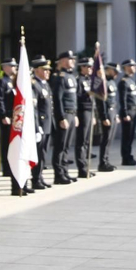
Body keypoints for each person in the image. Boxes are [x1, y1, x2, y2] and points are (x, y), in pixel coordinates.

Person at [50, 51, 78, 184]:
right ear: (62, 61)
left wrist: (75, 114)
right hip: (65, 114)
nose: (72, 61)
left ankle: (65, 171)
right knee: (60, 145)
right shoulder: (59, 77)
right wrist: (61, 118)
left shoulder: (71, 76)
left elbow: (73, 98)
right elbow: (58, 99)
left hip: (72, 113)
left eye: (73, 59)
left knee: (67, 145)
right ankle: (58, 174)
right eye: (69, 59)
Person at [30, 56, 55, 186]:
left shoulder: (45, 84)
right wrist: (37, 126)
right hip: (40, 124)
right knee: (38, 153)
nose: (48, 72)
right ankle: (35, 179)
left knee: (44, 152)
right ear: (37, 70)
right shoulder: (34, 84)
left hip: (47, 124)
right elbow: (35, 108)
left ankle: (39, 177)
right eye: (45, 70)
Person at [0, 56, 18, 187]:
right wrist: (3, 115)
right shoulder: (2, 82)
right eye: (12, 66)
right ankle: (6, 167)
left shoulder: (14, 81)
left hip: (14, 116)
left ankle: (11, 166)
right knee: (6, 143)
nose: (14, 68)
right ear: (5, 67)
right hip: (7, 116)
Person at [75, 55, 97, 178]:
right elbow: (77, 98)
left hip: (90, 111)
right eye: (86, 66)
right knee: (82, 141)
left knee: (87, 141)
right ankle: (82, 168)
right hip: (82, 111)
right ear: (81, 67)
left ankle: (87, 166)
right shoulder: (79, 80)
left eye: (90, 66)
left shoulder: (89, 80)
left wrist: (94, 114)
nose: (89, 68)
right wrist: (86, 94)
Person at [93, 58, 116, 173]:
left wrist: (115, 114)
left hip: (112, 111)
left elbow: (113, 100)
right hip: (107, 113)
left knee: (110, 139)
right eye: (114, 71)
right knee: (105, 139)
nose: (116, 74)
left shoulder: (112, 82)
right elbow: (101, 102)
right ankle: (102, 162)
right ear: (108, 70)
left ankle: (106, 160)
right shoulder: (103, 83)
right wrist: (104, 117)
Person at [117, 59, 136, 164]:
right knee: (126, 137)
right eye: (132, 66)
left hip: (134, 111)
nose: (134, 67)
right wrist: (125, 113)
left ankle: (129, 156)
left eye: (134, 65)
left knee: (130, 136)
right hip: (128, 112)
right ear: (126, 67)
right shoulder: (123, 82)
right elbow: (123, 99)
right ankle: (125, 158)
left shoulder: (131, 80)